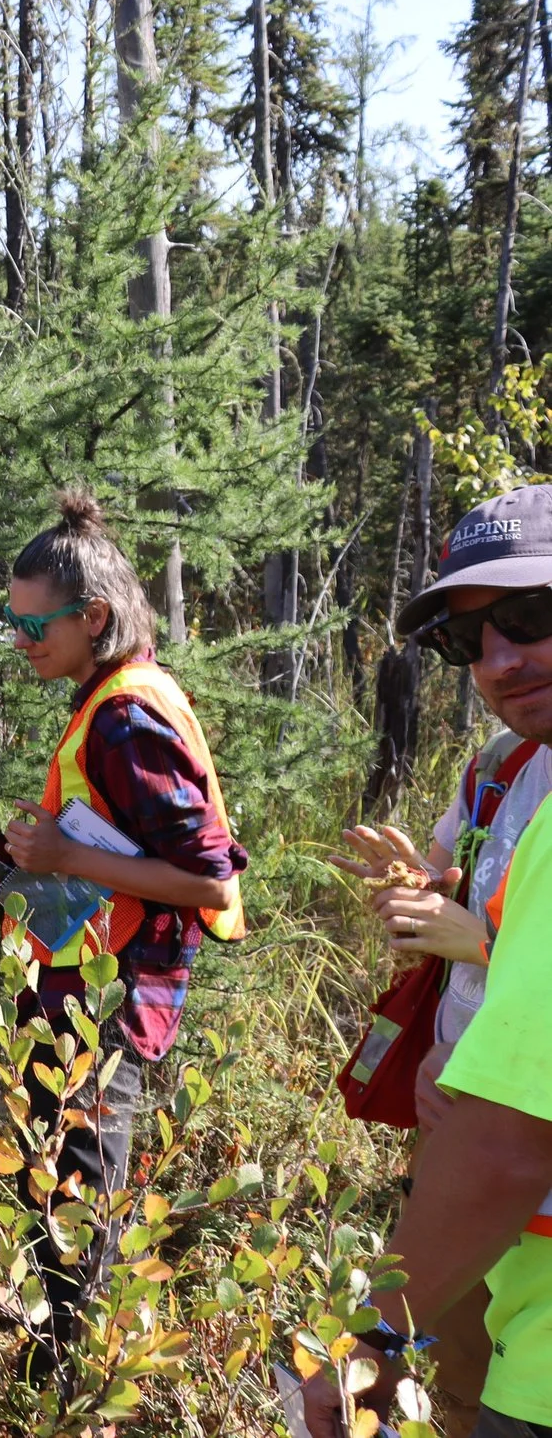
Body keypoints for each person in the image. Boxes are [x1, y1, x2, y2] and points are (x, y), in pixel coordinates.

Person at [0, 492, 246, 1384]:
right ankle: (59, 1369)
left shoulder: (128, 717)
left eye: (33, 624)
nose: (20, 641)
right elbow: (118, 861)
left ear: (93, 617)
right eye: (11, 622)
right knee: (55, 1183)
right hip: (80, 988)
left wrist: (63, 853)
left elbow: (210, 881)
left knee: (81, 1199)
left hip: (111, 1004)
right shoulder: (106, 701)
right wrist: (32, 871)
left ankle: (79, 1385)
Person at [305, 484, 552, 1438]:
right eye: (463, 640)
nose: (498, 658)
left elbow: (512, 1142)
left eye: (528, 615)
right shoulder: (504, 765)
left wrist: (372, 1338)